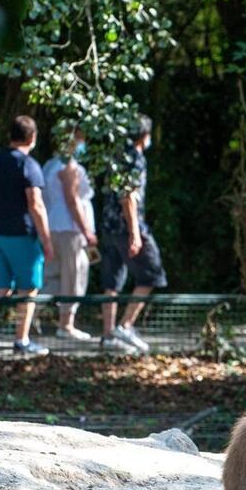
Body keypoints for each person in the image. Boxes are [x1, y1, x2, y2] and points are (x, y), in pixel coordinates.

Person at [0, 115, 54, 356]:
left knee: (0, 285)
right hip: (20, 236)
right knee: (28, 289)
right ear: (32, 138)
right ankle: (21, 341)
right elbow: (35, 204)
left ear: (9, 135)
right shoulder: (28, 165)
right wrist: (46, 239)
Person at [99, 114, 167, 354]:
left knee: (112, 281)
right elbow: (129, 197)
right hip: (127, 227)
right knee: (151, 274)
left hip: (108, 227)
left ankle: (108, 335)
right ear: (144, 136)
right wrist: (135, 233)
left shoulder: (114, 157)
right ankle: (125, 325)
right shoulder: (135, 159)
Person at [41, 125, 98, 340]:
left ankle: (26, 317)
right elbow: (73, 201)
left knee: (52, 275)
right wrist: (87, 231)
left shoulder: (49, 164)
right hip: (70, 229)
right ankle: (66, 325)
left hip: (52, 226)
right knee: (73, 275)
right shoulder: (69, 167)